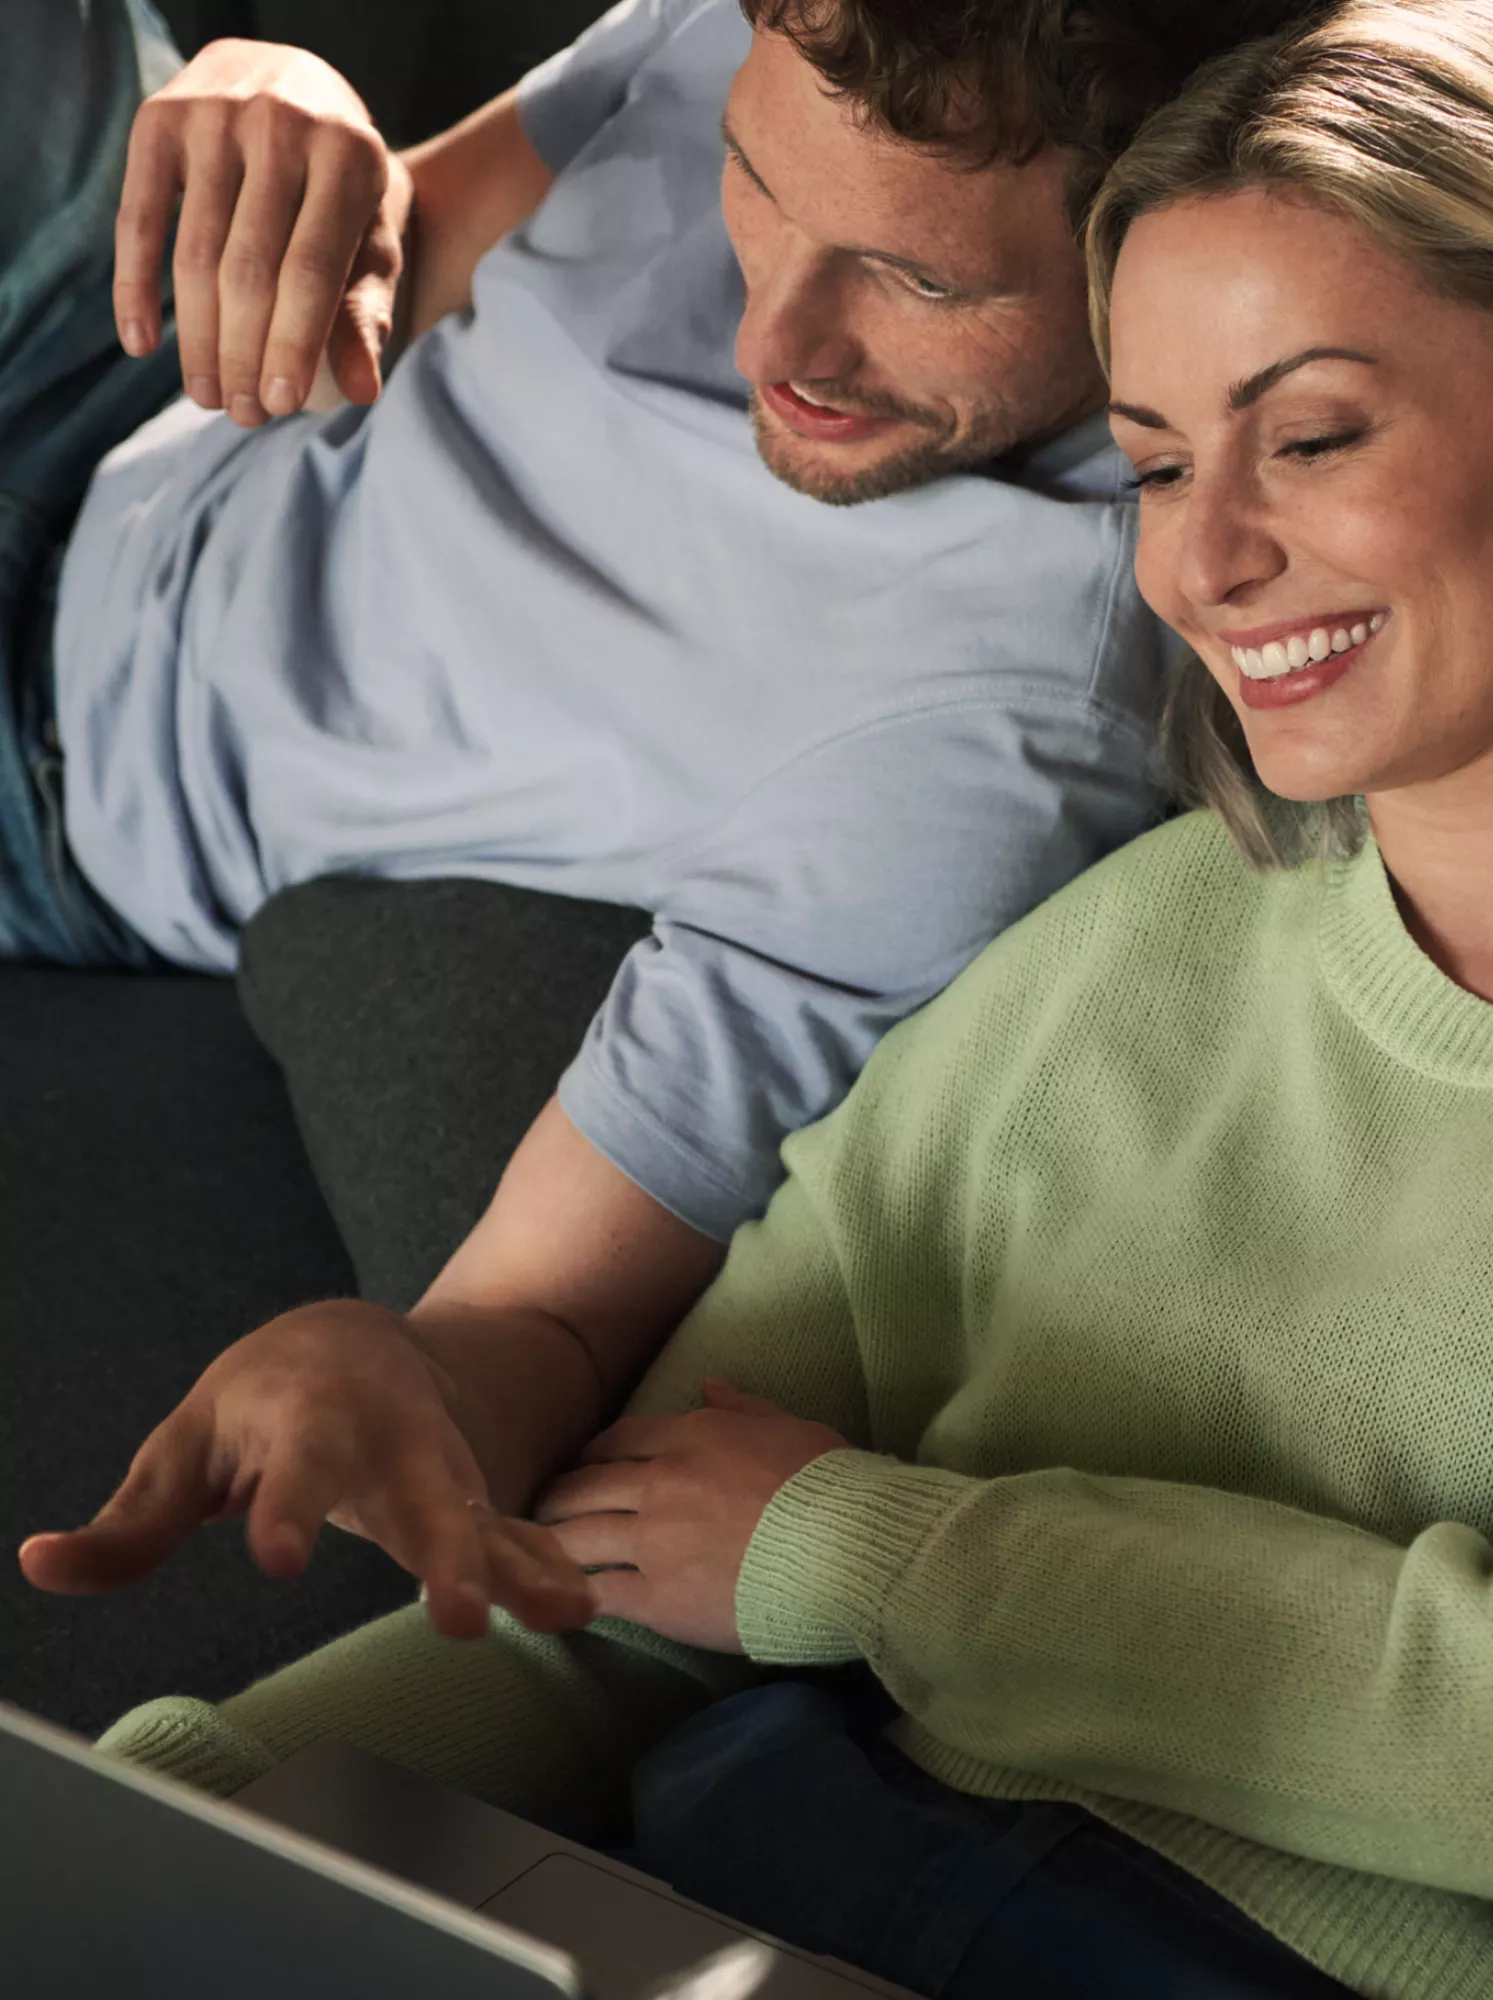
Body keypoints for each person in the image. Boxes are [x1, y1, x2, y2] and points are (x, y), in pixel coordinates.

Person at [91, 0, 1493, 1993]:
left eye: (1315, 436)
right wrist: (183, 1810)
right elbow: (630, 1581)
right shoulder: (1110, 971)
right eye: (1160, 462)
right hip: (727, 1890)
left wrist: (884, 1562)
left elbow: (782, 1548)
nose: (1201, 561)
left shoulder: (988, 763)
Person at [13, 0, 1319, 1635]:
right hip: (138, 374)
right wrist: (284, 110)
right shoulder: (762, 26)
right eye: (752, 180)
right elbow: (400, 243)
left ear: (1161, 253)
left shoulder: (1002, 727)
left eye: (921, 283)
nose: (777, 337)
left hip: (57, 762)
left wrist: (421, 1375)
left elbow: (536, 1321)